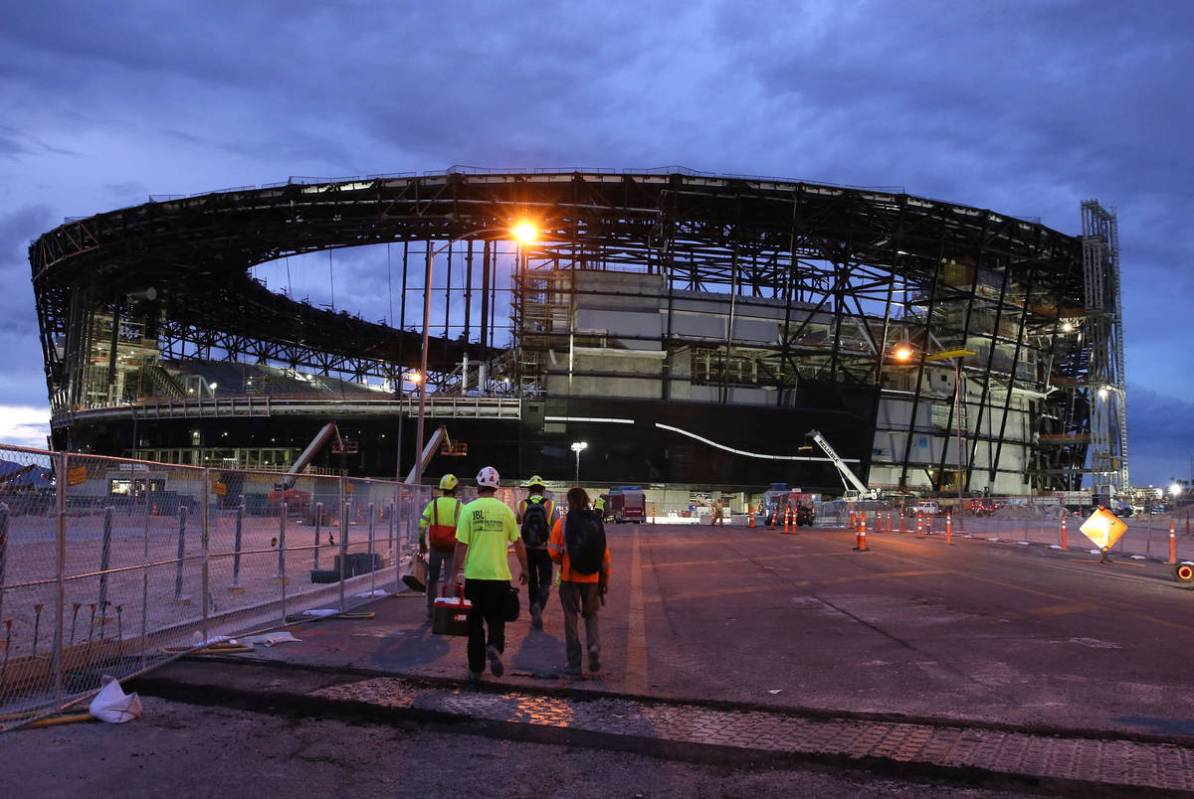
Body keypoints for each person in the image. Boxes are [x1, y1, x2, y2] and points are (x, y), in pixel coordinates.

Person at [453, 466, 528, 682]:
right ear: (496, 487)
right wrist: (525, 569)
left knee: (474, 625)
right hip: (499, 578)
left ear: (478, 485)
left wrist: (453, 574)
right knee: (496, 620)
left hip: (475, 577)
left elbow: (461, 545)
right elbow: (518, 542)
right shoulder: (506, 511)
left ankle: (476, 669)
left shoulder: (469, 509)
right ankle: (494, 648)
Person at [548, 487, 612, 676]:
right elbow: (604, 554)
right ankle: (593, 647)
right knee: (591, 616)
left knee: (571, 619)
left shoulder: (563, 523)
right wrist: (605, 579)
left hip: (569, 577)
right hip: (592, 578)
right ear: (586, 500)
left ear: (569, 501)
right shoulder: (595, 522)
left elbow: (553, 552)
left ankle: (574, 663)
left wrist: (564, 560)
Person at [516, 475, 559, 630]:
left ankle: (534, 606)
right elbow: (556, 526)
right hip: (544, 548)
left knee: (532, 581)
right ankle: (539, 605)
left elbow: (518, 521)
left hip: (527, 549)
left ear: (529, 490)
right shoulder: (550, 505)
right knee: (546, 581)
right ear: (543, 490)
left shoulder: (521, 504)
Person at [418, 474, 463, 621]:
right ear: (455, 489)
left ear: (442, 489)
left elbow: (421, 526)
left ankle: (431, 610)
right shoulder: (460, 506)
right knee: (450, 579)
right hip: (452, 548)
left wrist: (422, 544)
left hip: (436, 547)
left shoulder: (433, 504)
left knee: (433, 579)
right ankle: (447, 609)